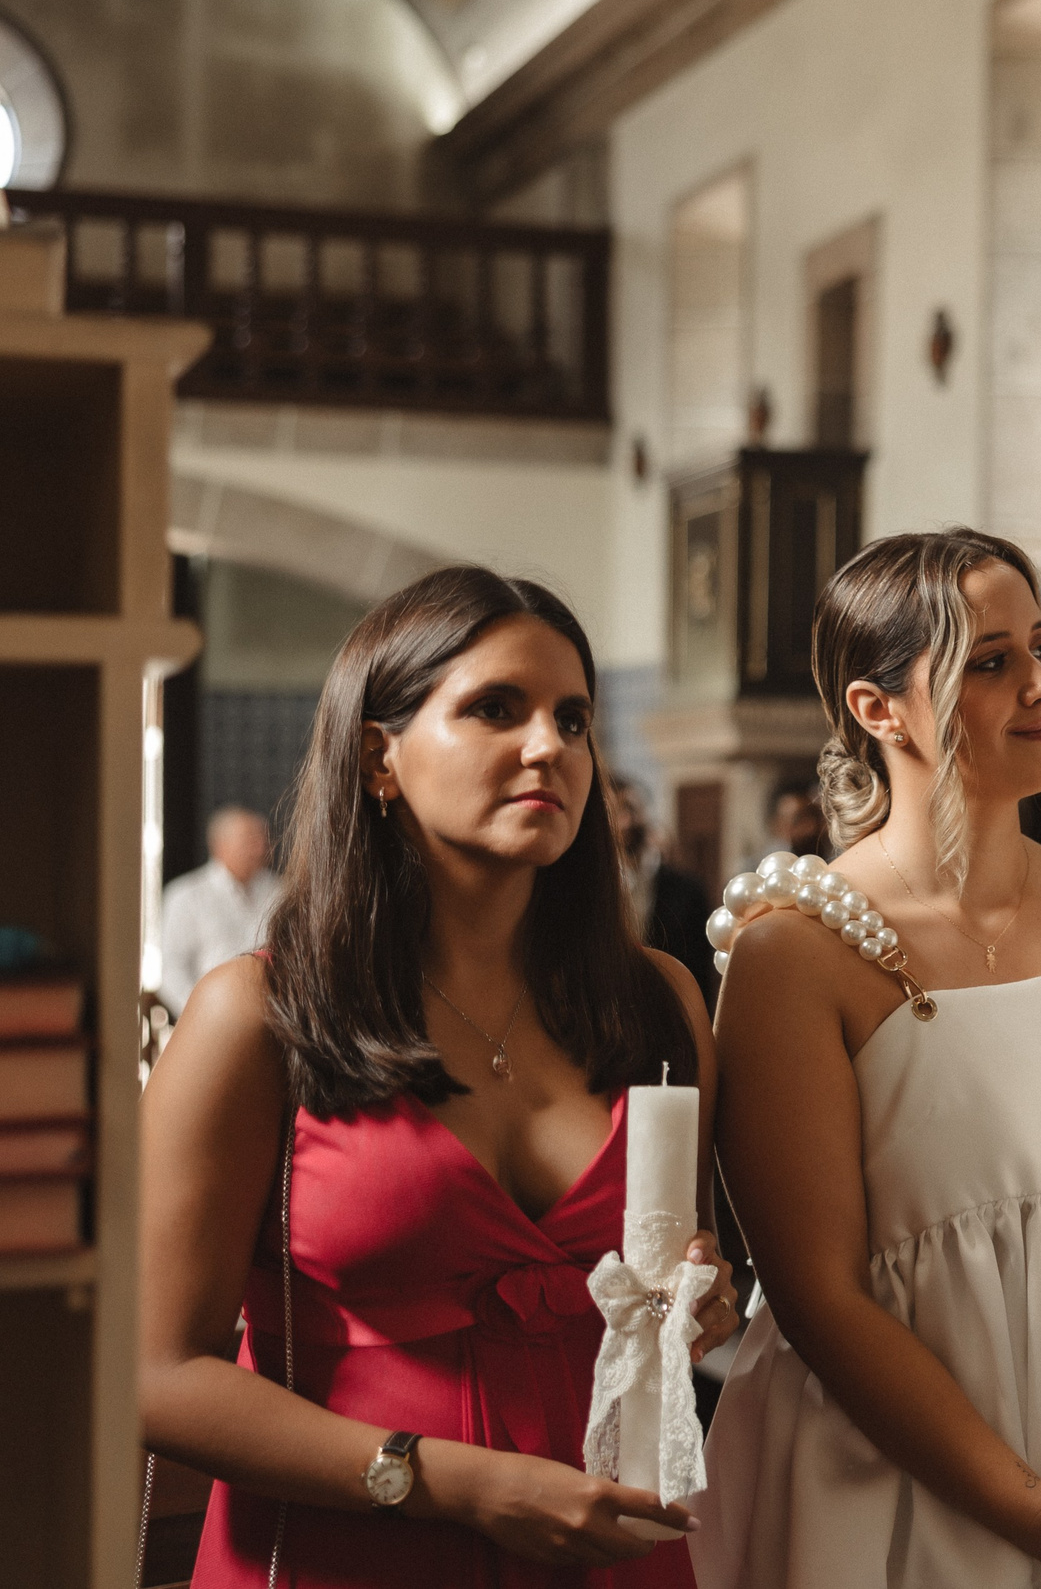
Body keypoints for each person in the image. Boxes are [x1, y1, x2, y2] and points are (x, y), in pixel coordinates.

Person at [138, 567, 744, 1589]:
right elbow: (152, 1374)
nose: (549, 746)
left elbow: (679, 1283)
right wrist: (451, 1482)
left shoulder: (657, 1004)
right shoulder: (257, 1015)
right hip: (349, 1552)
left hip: (607, 1551)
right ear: (380, 754)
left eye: (574, 719)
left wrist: (703, 1298)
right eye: (496, 709)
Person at [694, 527, 1041, 1589]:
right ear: (877, 710)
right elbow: (818, 1298)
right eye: (990, 662)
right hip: (922, 1492)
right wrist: (1030, 1508)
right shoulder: (798, 954)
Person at [608, 774, 721, 1014]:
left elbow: (701, 971)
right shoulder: (598, 887)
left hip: (670, 1010)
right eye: (616, 812)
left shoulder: (688, 889)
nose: (626, 822)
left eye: (631, 809)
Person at [160, 804, 280, 1013]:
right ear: (220, 846)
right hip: (210, 1014)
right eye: (249, 841)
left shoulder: (280, 891)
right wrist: (203, 1014)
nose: (260, 848)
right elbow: (171, 970)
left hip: (272, 1015)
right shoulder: (186, 896)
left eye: (263, 840)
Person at [765, 779, 826, 859]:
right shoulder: (758, 865)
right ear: (777, 826)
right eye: (799, 820)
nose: (811, 826)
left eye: (815, 815)